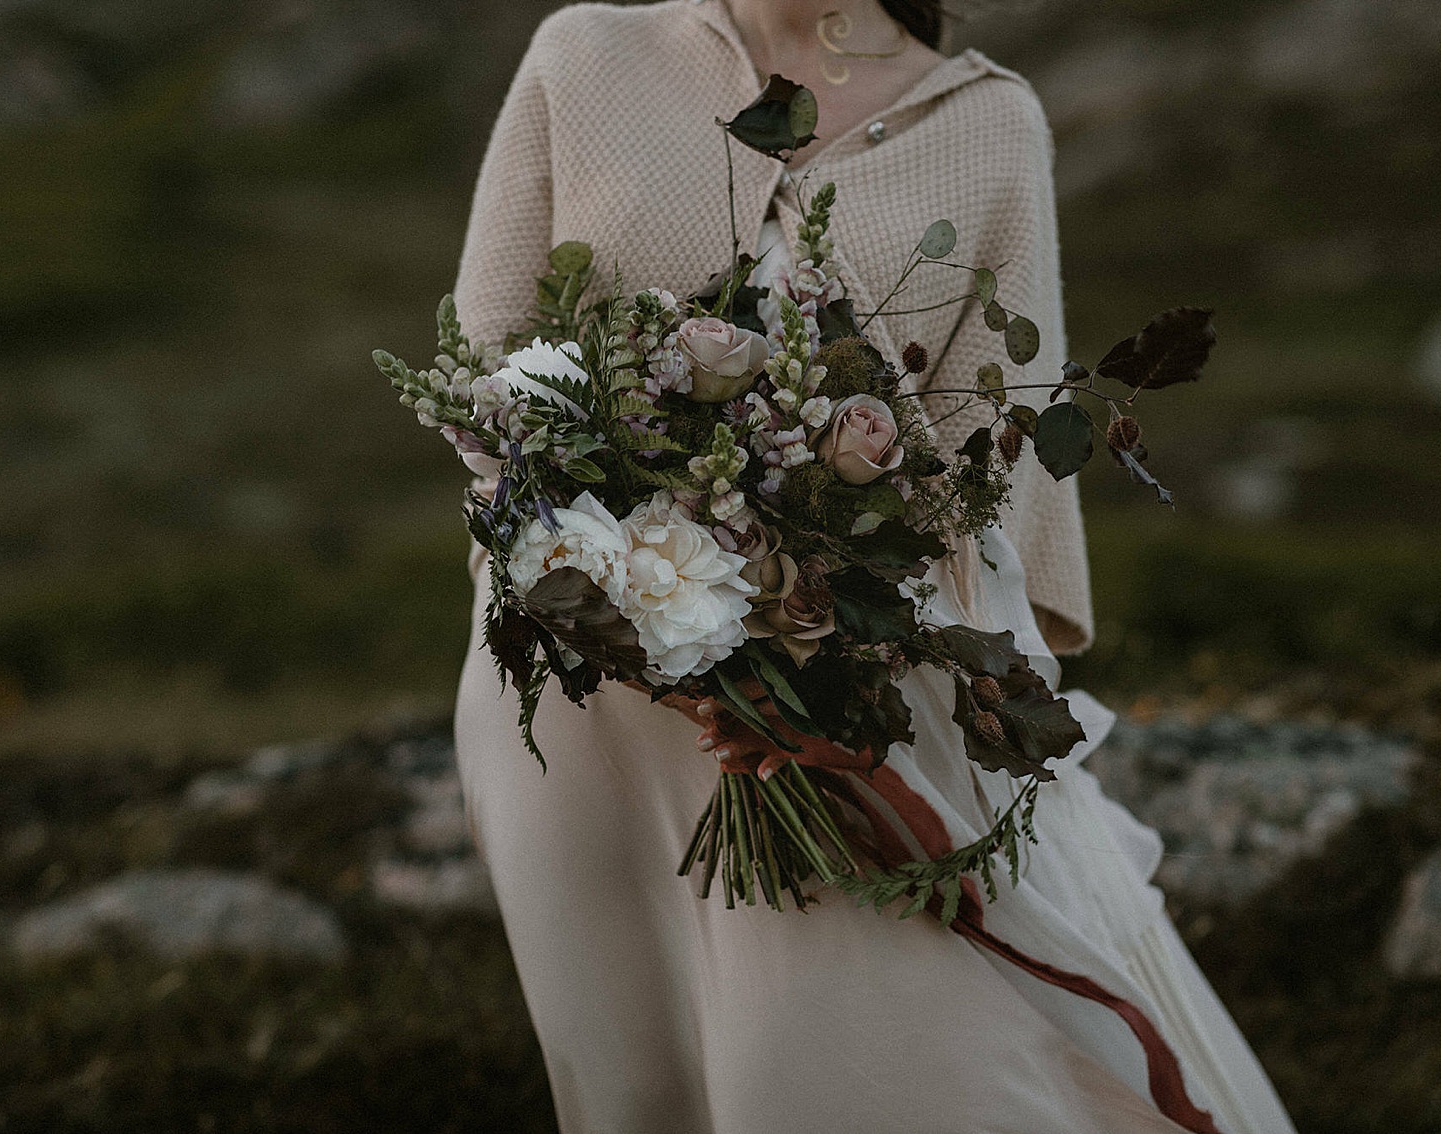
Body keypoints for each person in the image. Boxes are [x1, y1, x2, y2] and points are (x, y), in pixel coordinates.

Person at [452, 2, 1299, 1131]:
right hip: (579, 693)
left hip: (837, 704)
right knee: (632, 1090)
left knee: (838, 1076)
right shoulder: (587, 55)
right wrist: (615, 560)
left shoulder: (987, 120)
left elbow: (991, 474)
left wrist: (809, 629)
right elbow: (489, 358)